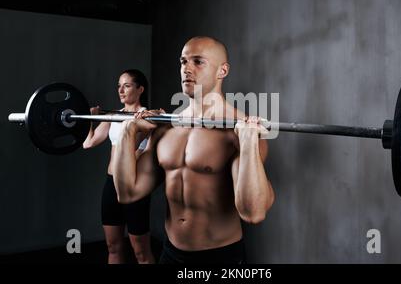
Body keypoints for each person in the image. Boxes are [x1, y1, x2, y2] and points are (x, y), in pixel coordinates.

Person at [113, 37, 275, 264]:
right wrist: (127, 134)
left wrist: (248, 145)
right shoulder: (166, 127)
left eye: (198, 62)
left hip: (220, 257)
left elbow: (254, 213)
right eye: (183, 61)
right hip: (170, 253)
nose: (186, 69)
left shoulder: (239, 132)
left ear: (223, 70)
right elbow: (127, 192)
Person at [82, 69, 154, 264]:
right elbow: (88, 143)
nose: (121, 90)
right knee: (113, 247)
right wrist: (92, 119)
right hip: (111, 185)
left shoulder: (148, 117)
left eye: (127, 85)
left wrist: (138, 122)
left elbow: (131, 147)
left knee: (141, 252)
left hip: (134, 186)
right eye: (119, 86)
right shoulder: (113, 115)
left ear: (140, 89)